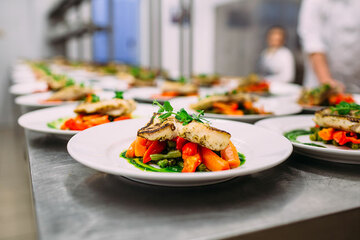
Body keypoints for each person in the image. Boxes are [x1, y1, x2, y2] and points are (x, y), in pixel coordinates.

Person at [298, 0, 360, 93]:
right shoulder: (313, 2)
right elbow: (313, 44)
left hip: (356, 87)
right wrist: (326, 82)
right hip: (320, 88)